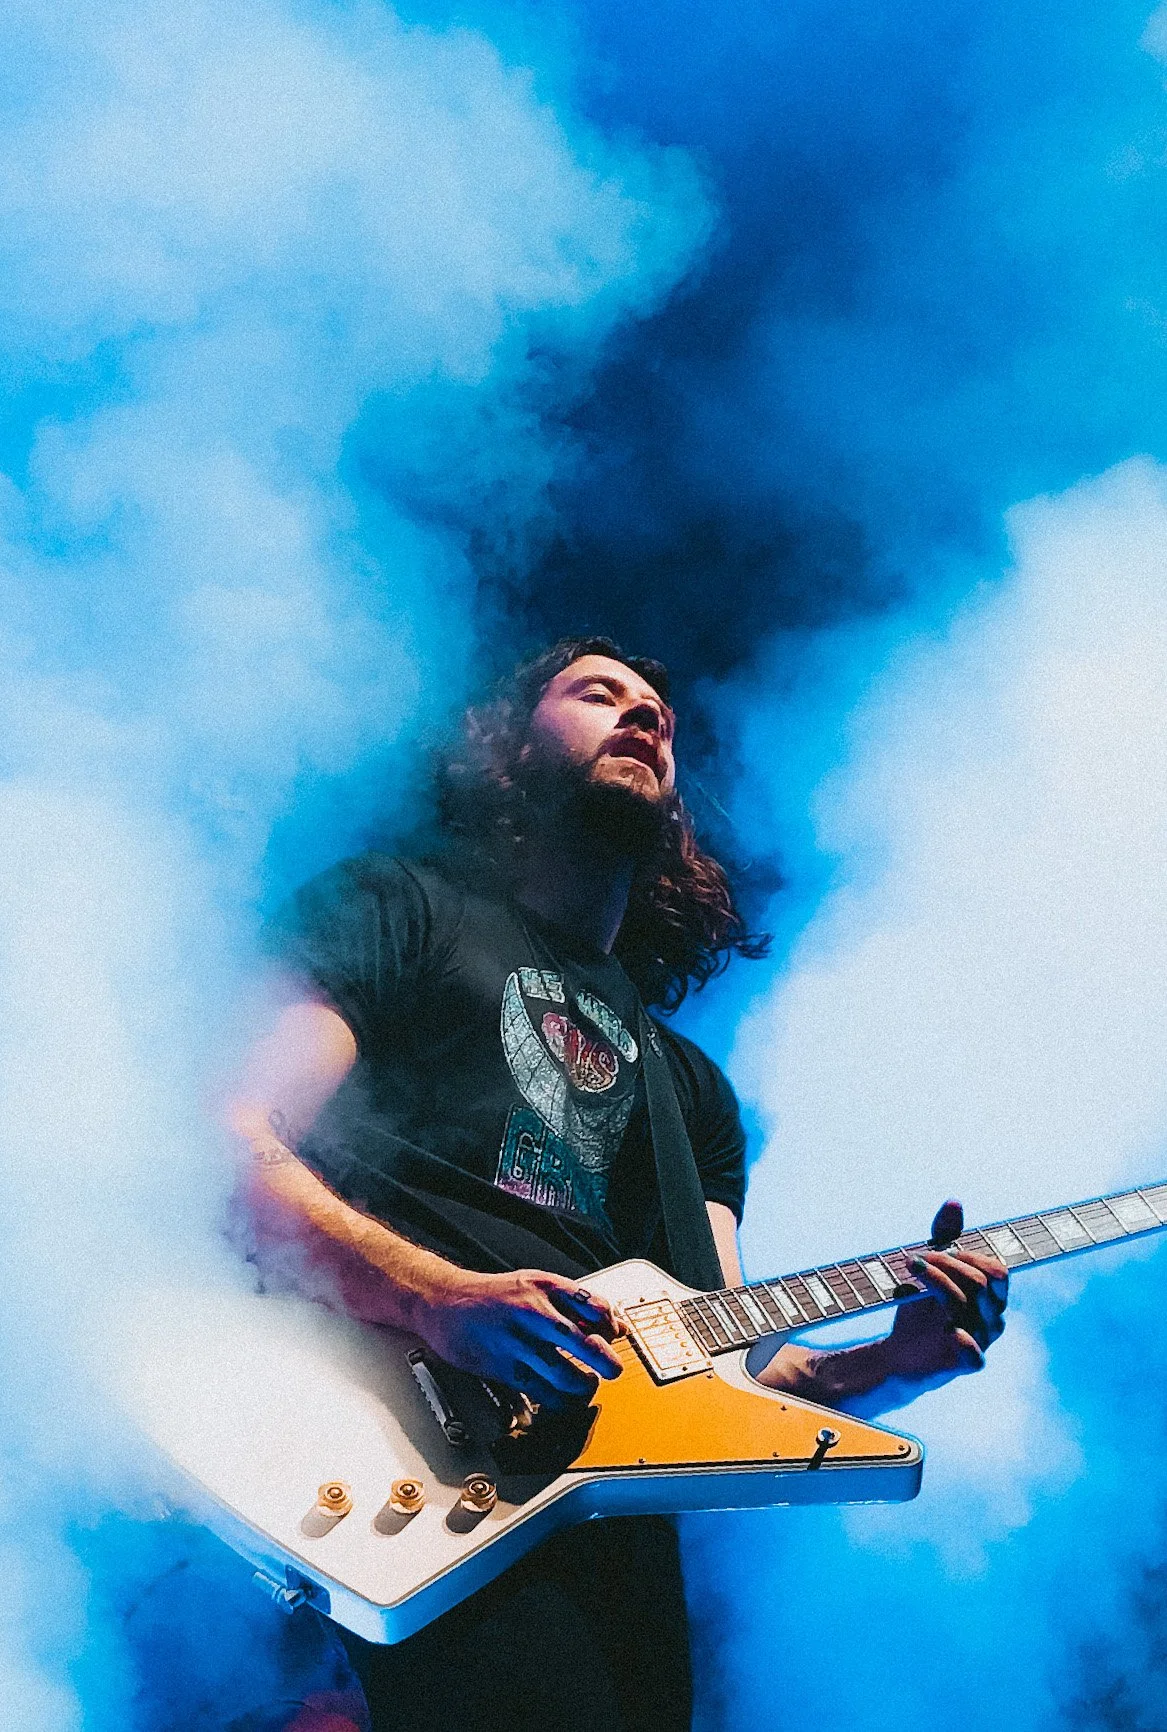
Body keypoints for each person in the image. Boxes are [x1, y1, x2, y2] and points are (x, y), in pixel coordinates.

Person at [234, 636, 1008, 1732]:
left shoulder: (688, 1091)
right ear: (505, 753)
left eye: (660, 714)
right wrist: (433, 1296)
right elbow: (229, 1142)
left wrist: (891, 1361)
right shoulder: (398, 908)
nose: (644, 715)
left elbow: (737, 1365)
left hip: (596, 1534)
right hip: (364, 1461)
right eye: (598, 693)